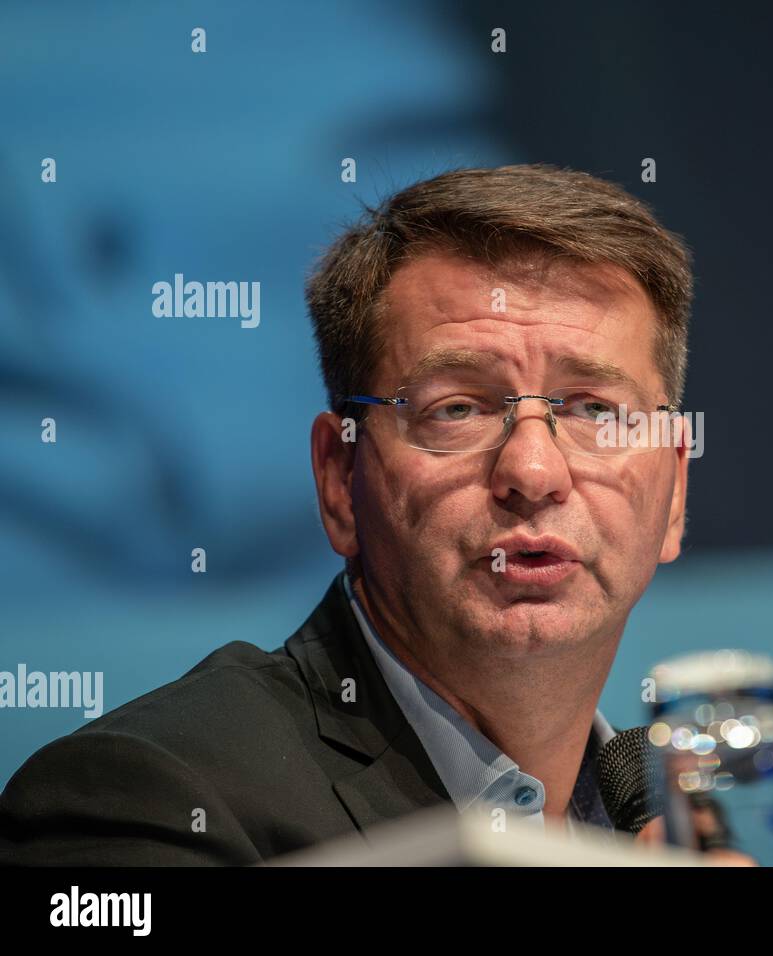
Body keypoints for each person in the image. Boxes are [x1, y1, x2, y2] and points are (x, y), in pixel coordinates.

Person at [0, 163, 712, 865]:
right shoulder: (147, 802)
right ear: (340, 479)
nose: (532, 471)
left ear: (673, 488)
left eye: (594, 410)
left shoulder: (698, 836)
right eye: (456, 408)